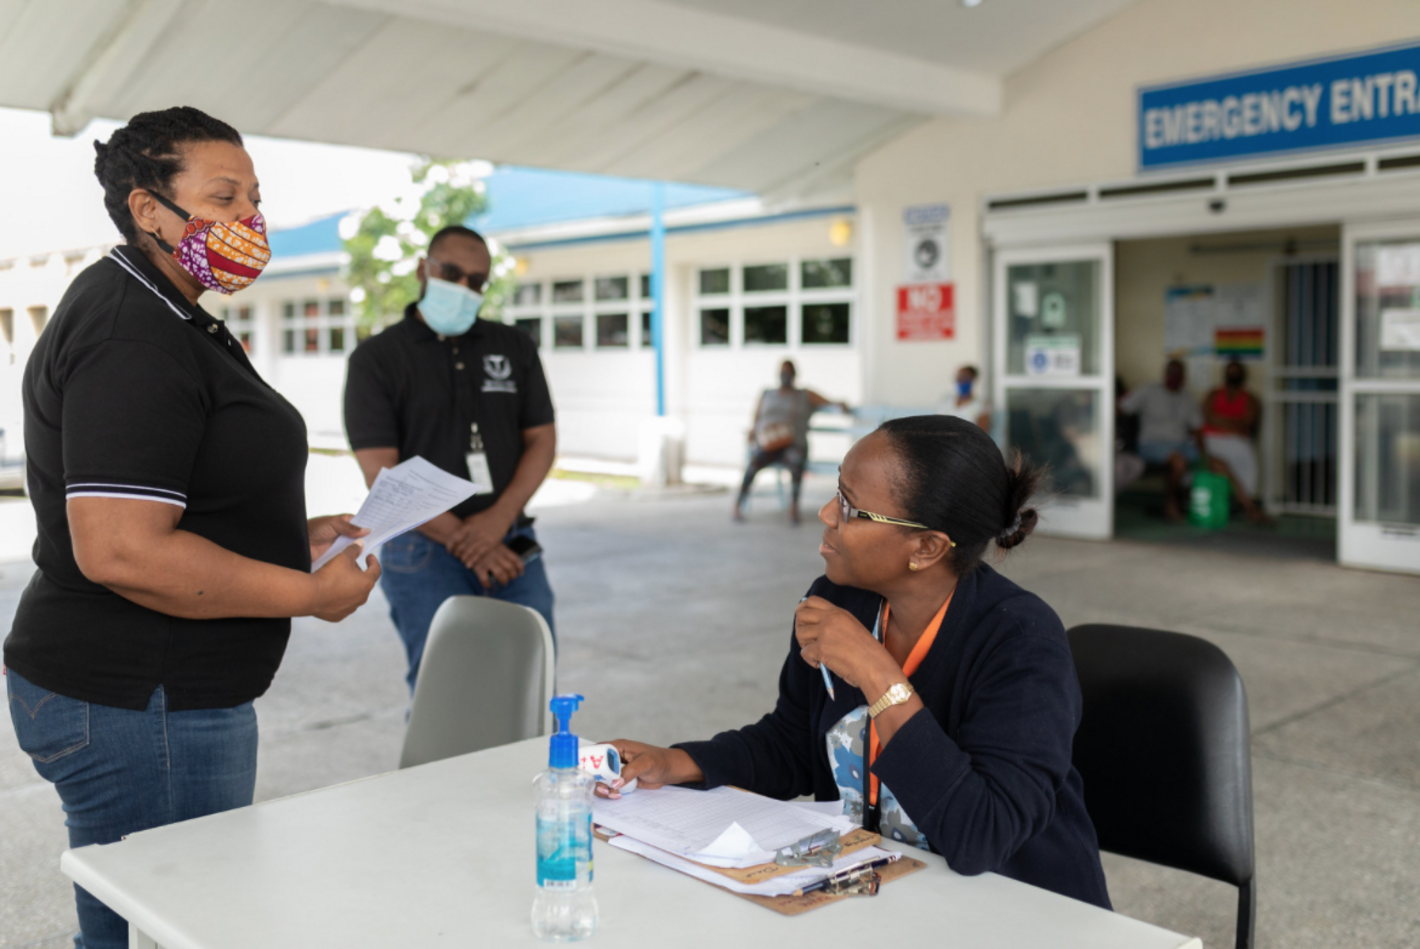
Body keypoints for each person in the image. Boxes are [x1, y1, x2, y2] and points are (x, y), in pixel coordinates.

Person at [3, 107, 380, 949]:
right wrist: (310, 594)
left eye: (254, 198)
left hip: (142, 694)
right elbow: (124, 548)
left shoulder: (162, 312)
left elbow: (184, 488)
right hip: (143, 698)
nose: (250, 218)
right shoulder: (131, 333)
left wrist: (290, 533)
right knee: (171, 927)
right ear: (149, 209)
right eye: (224, 197)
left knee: (134, 926)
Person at [602, 415, 1111, 909]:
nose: (826, 513)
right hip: (890, 899)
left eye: (850, 506)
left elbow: (983, 834)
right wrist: (681, 762)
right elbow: (795, 744)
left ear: (926, 547)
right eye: (836, 492)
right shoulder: (838, 599)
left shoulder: (1020, 639)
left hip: (1022, 913)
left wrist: (876, 672)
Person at [344, 225, 557, 693]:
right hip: (423, 550)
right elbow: (381, 469)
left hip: (512, 543)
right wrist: (467, 540)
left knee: (530, 688)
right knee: (444, 694)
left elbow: (542, 439)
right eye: (452, 273)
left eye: (476, 281)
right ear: (424, 269)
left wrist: (497, 521)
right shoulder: (376, 358)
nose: (463, 287)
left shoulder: (514, 346)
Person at [734, 360, 846, 524]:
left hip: (794, 443)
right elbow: (756, 417)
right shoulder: (767, 394)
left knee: (795, 460)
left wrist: (839, 404)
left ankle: (793, 508)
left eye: (788, 371)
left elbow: (829, 402)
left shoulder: (803, 395)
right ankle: (737, 505)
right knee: (754, 462)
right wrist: (753, 431)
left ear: (794, 374)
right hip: (770, 443)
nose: (785, 375)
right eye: (782, 371)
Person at [1118, 358, 1203, 521]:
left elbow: (1196, 429)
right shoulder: (1148, 391)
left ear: (1183, 376)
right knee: (1179, 462)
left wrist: (1204, 453)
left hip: (1180, 444)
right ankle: (1170, 504)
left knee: (1205, 461)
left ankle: (1189, 502)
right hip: (1151, 445)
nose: (1174, 376)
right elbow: (1122, 408)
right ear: (1165, 374)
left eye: (1178, 374)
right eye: (1172, 373)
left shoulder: (1188, 398)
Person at [1201, 361, 1270, 525]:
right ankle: (1249, 507)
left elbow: (1247, 422)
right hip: (1211, 440)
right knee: (1218, 464)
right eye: (1230, 371)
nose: (1233, 375)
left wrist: (1220, 421)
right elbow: (1208, 417)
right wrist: (1233, 424)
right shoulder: (1214, 394)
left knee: (1247, 459)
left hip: (1238, 441)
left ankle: (1244, 501)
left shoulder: (1250, 398)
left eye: (1236, 372)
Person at [939, 364, 990, 431]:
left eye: (965, 378)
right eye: (959, 378)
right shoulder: (946, 401)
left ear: (973, 379)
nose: (961, 381)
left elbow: (982, 433)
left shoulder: (981, 406)